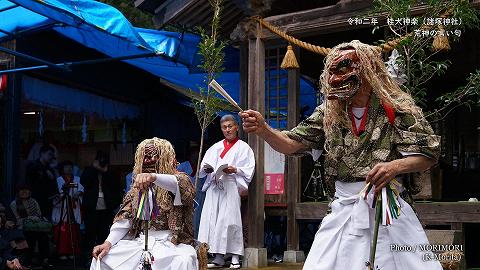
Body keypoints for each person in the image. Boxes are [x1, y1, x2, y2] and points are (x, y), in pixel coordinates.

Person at [240, 40, 442, 270]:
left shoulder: (397, 108)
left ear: (367, 71)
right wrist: (264, 129)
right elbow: (291, 144)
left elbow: (429, 154)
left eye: (345, 70)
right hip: (343, 208)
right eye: (333, 72)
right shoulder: (329, 112)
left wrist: (394, 167)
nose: (336, 78)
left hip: (387, 206)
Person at [90, 138, 198, 270]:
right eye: (144, 157)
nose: (147, 160)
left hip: (172, 243)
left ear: (164, 157)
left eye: (153, 156)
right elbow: (125, 219)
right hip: (140, 242)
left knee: (183, 260)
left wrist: (153, 177)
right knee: (103, 259)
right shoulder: (136, 188)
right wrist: (107, 243)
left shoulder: (180, 179)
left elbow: (178, 184)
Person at [197, 115, 255, 269]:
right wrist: (208, 169)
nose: (228, 130)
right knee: (214, 220)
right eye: (224, 127)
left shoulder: (244, 147)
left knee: (230, 220)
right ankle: (218, 257)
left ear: (236, 127)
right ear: (221, 129)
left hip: (231, 185)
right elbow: (203, 168)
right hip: (215, 186)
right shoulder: (215, 147)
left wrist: (235, 169)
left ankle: (235, 256)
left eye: (230, 126)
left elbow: (249, 169)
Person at [81, 151, 121, 264]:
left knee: (104, 233)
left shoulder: (111, 172)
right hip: (91, 208)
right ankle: (88, 259)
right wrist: (94, 168)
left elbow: (115, 186)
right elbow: (84, 181)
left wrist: (105, 170)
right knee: (90, 233)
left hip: (106, 208)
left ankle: (104, 259)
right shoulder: (89, 171)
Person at [9, 185, 52, 269]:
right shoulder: (14, 204)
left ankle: (44, 259)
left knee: (43, 236)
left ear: (30, 192)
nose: (24, 192)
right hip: (22, 227)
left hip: (36, 226)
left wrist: (36, 219)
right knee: (30, 236)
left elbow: (39, 215)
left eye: (26, 190)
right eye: (22, 190)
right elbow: (15, 220)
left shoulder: (34, 201)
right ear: (18, 192)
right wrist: (29, 218)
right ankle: (28, 260)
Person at [52, 160, 84, 260]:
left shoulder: (77, 178)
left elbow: (81, 189)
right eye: (66, 167)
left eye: (70, 167)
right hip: (63, 206)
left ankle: (73, 252)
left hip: (74, 206)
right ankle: (62, 253)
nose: (69, 169)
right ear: (62, 169)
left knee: (74, 230)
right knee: (63, 230)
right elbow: (58, 193)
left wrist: (77, 194)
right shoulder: (59, 179)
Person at [25, 144, 58, 222]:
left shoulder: (51, 170)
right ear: (42, 153)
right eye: (49, 154)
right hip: (34, 201)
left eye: (52, 155)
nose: (51, 157)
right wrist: (44, 171)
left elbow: (53, 186)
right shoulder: (33, 165)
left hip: (47, 203)